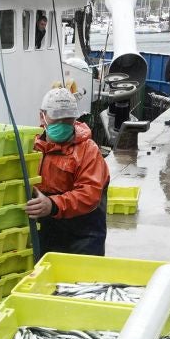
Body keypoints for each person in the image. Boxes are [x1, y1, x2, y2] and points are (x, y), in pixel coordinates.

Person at [25, 87, 110, 256]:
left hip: (83, 238)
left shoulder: (89, 151)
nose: (63, 125)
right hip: (46, 235)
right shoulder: (31, 147)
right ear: (42, 116)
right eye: (57, 119)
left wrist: (52, 205)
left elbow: (89, 193)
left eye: (68, 120)